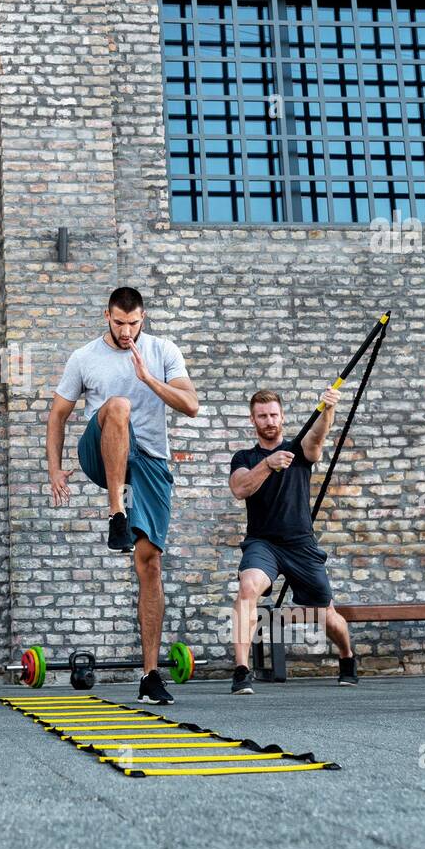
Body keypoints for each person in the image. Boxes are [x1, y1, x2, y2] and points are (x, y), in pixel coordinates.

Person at [47, 286, 199, 705]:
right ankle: (117, 513)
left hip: (148, 462)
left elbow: (191, 405)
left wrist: (149, 379)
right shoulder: (85, 357)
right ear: (107, 317)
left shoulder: (163, 351)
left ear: (142, 318)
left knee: (149, 562)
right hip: (100, 453)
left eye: (133, 323)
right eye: (119, 322)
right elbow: (58, 414)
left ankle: (150, 675)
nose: (126, 330)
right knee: (117, 405)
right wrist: (54, 468)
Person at [228, 387, 357, 695]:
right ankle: (242, 671)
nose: (269, 420)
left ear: (282, 417)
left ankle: (347, 657)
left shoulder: (298, 449)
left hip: (300, 545)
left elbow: (316, 442)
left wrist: (327, 410)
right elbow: (240, 488)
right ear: (253, 420)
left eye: (273, 414)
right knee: (247, 588)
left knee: (327, 615)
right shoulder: (244, 457)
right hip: (263, 544)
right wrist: (268, 464)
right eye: (262, 416)